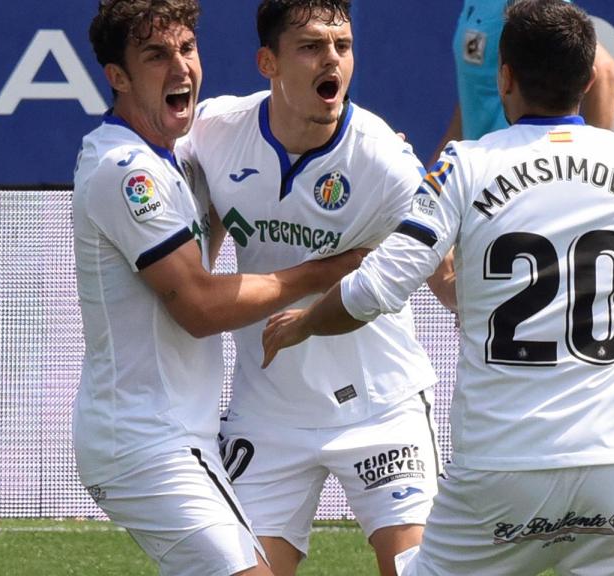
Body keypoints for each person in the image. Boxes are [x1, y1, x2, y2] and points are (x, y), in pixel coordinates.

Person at [261, 0, 614, 574]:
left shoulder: (463, 166)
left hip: (501, 468)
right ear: (587, 77)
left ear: (504, 77)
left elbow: (376, 287)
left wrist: (302, 323)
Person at [71, 2, 363, 574]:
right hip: (145, 441)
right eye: (156, 56)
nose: (180, 68)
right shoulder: (127, 172)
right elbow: (200, 307)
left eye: (187, 49)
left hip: (179, 433)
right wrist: (332, 267)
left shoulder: (176, 154)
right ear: (118, 77)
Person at [176, 1, 444, 575]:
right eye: (311, 46)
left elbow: (446, 271)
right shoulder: (215, 132)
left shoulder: (383, 159)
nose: (333, 60)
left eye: (342, 46)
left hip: (381, 409)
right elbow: (195, 228)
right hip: (267, 409)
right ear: (267, 61)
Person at [431, 0, 614, 165]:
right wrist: (431, 178)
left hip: (521, 186)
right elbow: (475, 94)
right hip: (479, 183)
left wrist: (589, 175)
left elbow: (606, 73)